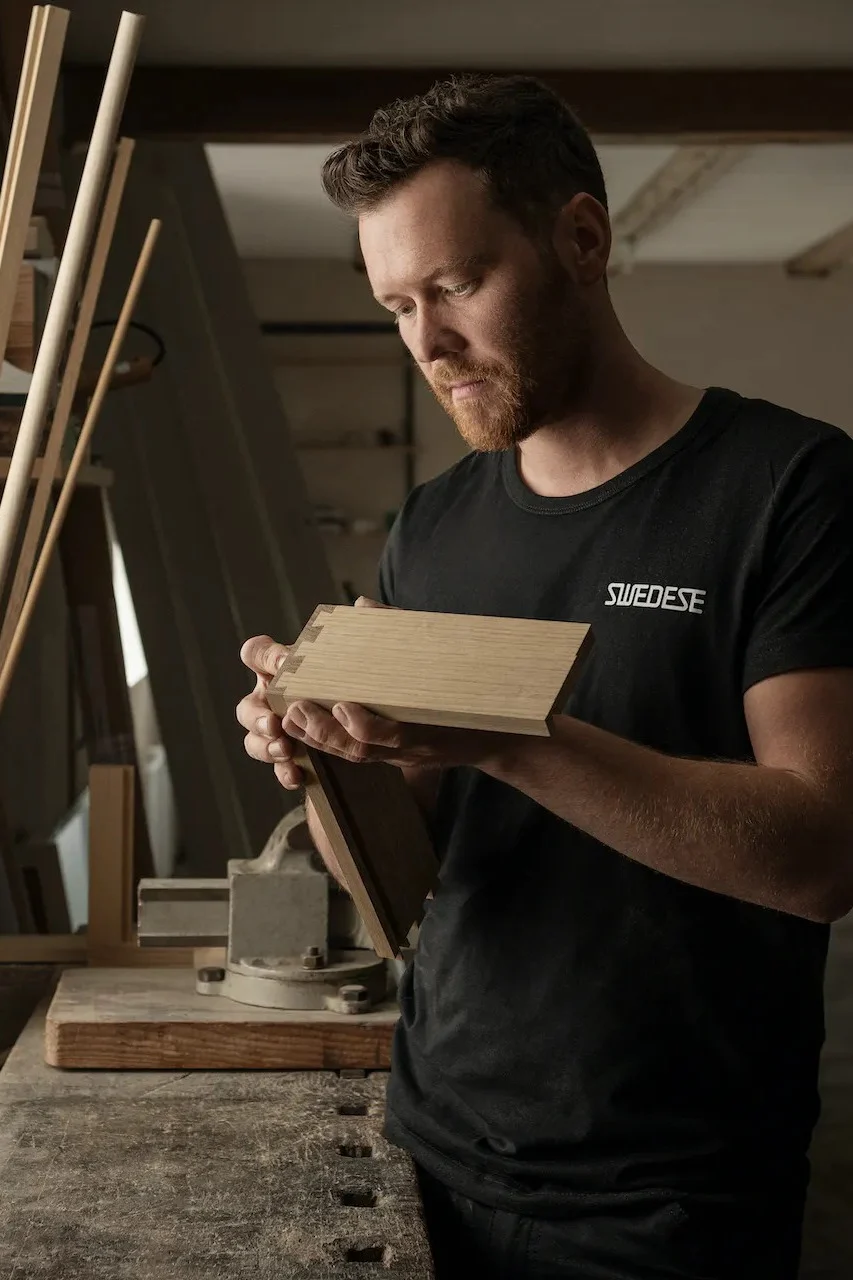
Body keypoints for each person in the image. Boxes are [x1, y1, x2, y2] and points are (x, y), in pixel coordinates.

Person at [236, 74, 853, 1279]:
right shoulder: (436, 522)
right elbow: (421, 832)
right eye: (397, 306)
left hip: (667, 1191)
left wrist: (509, 734)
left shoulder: (791, 488)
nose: (428, 342)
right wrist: (324, 756)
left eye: (457, 285)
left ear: (581, 237)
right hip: (430, 1137)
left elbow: (822, 855)